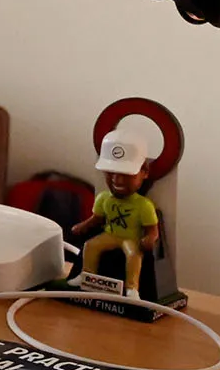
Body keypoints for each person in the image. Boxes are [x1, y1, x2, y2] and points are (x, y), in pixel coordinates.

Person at [70, 118, 163, 299]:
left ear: (144, 172)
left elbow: (153, 230)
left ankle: (132, 289)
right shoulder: (104, 198)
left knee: (133, 255)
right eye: (111, 173)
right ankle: (86, 277)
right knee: (90, 246)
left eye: (126, 175)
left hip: (131, 239)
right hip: (110, 235)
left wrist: (150, 239)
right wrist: (83, 226)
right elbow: (96, 219)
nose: (117, 181)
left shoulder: (143, 205)